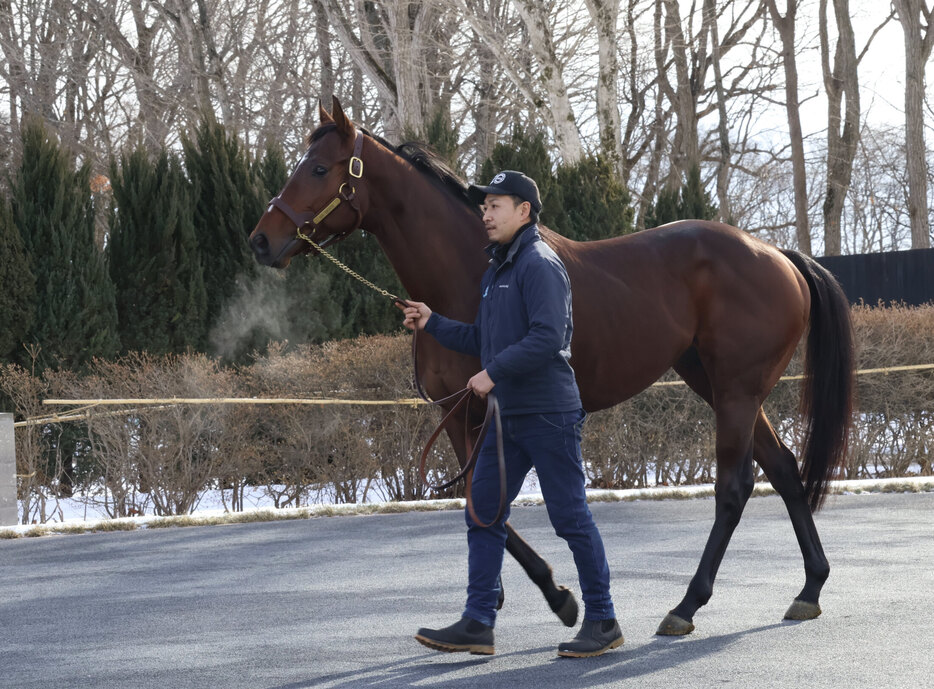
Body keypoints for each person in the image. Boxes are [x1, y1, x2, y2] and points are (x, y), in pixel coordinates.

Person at [398, 170, 622, 658]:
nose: (485, 213)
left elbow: (548, 337)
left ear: (524, 211)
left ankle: (603, 619)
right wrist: (432, 321)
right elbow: (484, 338)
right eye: (484, 205)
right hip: (508, 418)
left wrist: (491, 373)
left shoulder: (540, 263)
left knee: (569, 518)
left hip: (548, 415)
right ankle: (479, 623)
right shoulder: (498, 270)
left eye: (495, 204)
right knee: (483, 513)